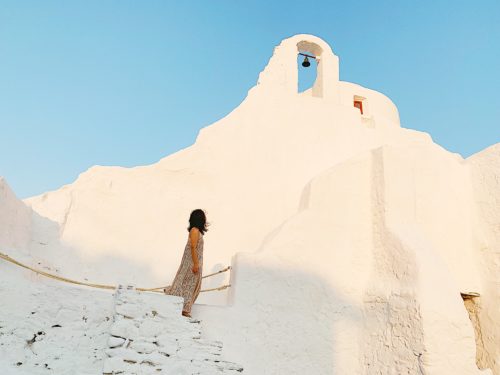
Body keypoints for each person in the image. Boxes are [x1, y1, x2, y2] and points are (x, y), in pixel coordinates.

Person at [164, 209, 208, 318]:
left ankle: (185, 308)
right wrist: (196, 264)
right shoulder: (194, 230)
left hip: (193, 263)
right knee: (187, 285)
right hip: (191, 263)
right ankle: (184, 309)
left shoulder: (196, 231)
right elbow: (193, 247)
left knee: (191, 285)